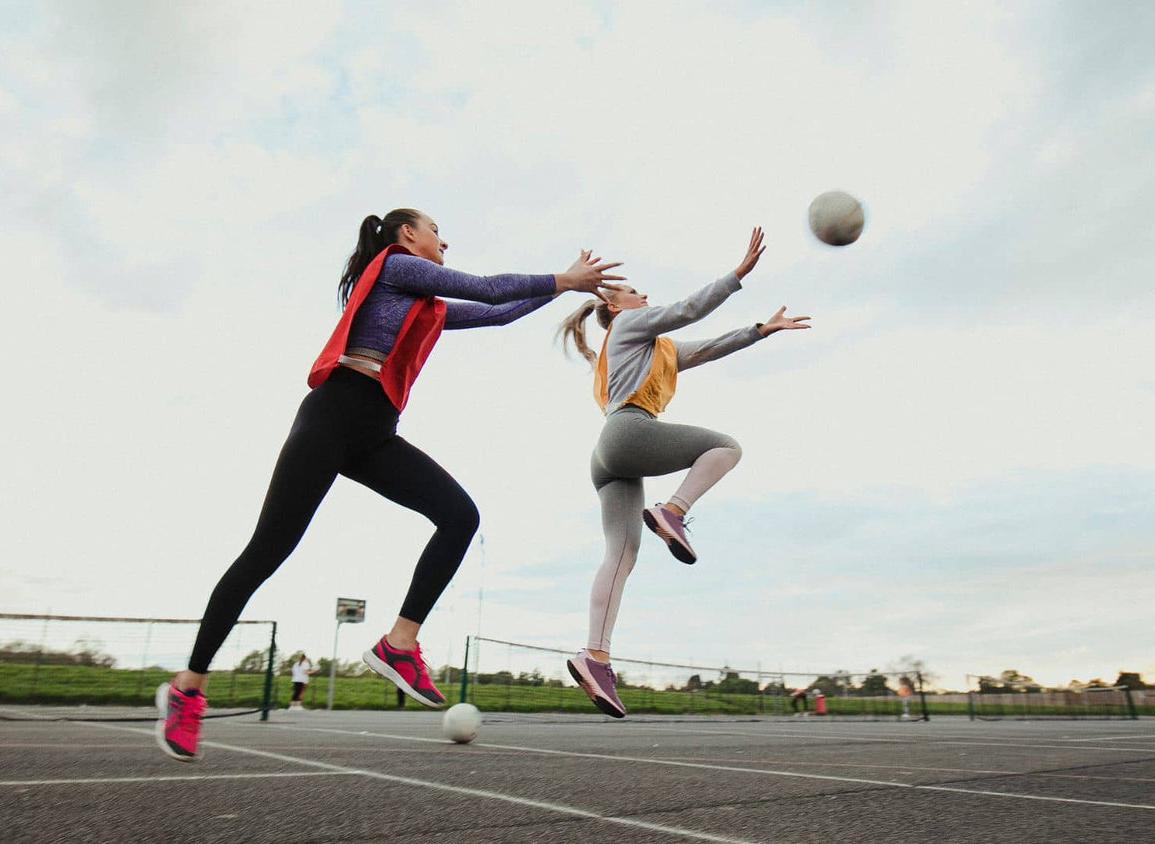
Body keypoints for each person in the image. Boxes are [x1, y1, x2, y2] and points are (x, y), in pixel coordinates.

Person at [156, 208, 623, 761]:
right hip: (332, 417)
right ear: (408, 235)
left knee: (459, 517)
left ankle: (400, 643)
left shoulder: (424, 306)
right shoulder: (399, 266)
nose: (443, 240)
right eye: (436, 231)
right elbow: (487, 288)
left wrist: (566, 290)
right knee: (266, 552)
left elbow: (497, 312)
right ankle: (188, 689)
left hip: (375, 431)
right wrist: (564, 278)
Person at [557, 228, 810, 717]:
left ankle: (596, 656)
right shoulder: (630, 325)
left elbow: (707, 347)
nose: (644, 295)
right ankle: (674, 510)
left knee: (621, 555)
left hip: (608, 457)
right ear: (615, 305)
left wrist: (761, 329)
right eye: (635, 292)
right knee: (726, 446)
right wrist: (736, 275)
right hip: (629, 433)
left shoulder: (656, 348)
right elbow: (689, 309)